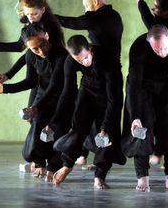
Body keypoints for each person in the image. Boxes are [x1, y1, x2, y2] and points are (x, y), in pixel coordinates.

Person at [0, 23, 66, 182]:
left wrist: (36, 107)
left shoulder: (61, 54)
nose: (41, 51)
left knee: (58, 130)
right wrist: (3, 89)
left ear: (46, 35)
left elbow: (55, 86)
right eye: (34, 49)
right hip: (42, 96)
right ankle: (39, 163)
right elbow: (30, 82)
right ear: (27, 48)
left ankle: (53, 166)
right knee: (36, 135)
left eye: (42, 44)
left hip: (64, 99)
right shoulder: (31, 56)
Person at [121, 25, 168, 192]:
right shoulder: (139, 47)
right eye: (156, 50)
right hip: (143, 88)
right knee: (140, 130)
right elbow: (135, 84)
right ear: (148, 42)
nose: (161, 53)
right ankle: (142, 178)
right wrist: (135, 116)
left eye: (165, 48)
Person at [51, 35, 126, 189]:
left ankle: (99, 176)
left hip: (108, 95)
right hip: (87, 90)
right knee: (78, 127)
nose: (84, 62)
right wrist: (54, 121)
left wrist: (105, 127)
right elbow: (67, 92)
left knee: (107, 136)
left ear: (90, 50)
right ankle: (67, 165)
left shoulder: (108, 59)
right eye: (79, 61)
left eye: (85, 58)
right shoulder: (70, 61)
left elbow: (115, 99)